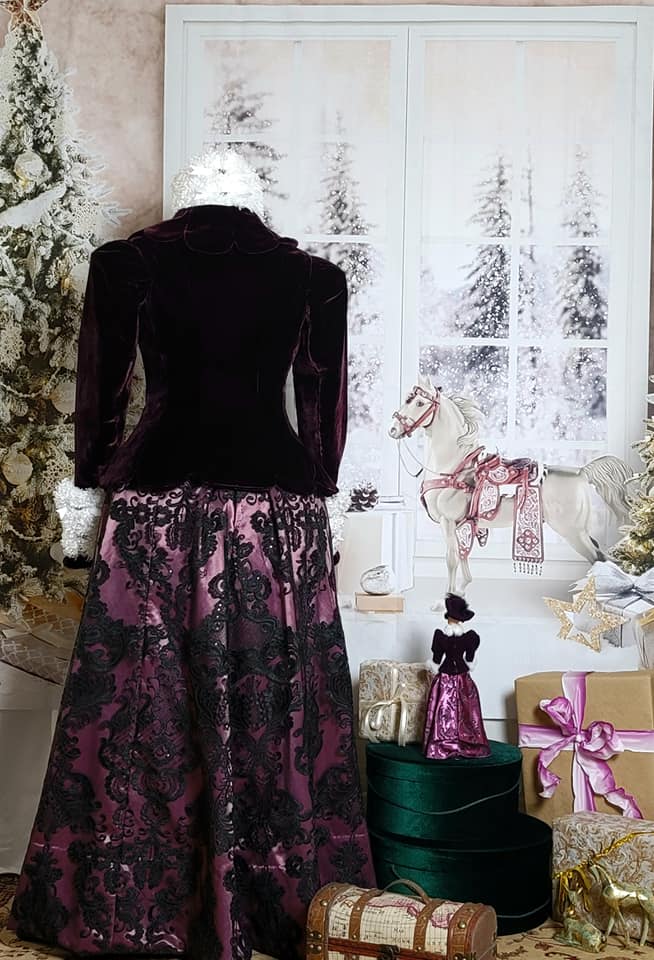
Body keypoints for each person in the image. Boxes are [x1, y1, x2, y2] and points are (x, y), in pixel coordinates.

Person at [9, 150, 374, 960]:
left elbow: (103, 394)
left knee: (147, 697)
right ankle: (274, 900)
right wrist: (323, 490)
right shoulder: (313, 277)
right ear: (253, 200)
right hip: (275, 515)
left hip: (158, 510)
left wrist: (87, 487)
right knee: (270, 694)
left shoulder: (128, 262)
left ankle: (135, 904)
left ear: (185, 199)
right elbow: (322, 410)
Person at [423, 593, 491, 760]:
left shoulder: (458, 637)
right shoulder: (457, 637)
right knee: (451, 708)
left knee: (454, 707)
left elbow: (437, 660)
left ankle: (456, 743)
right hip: (454, 677)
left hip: (452, 677)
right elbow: (468, 659)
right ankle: (450, 743)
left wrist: (433, 666)